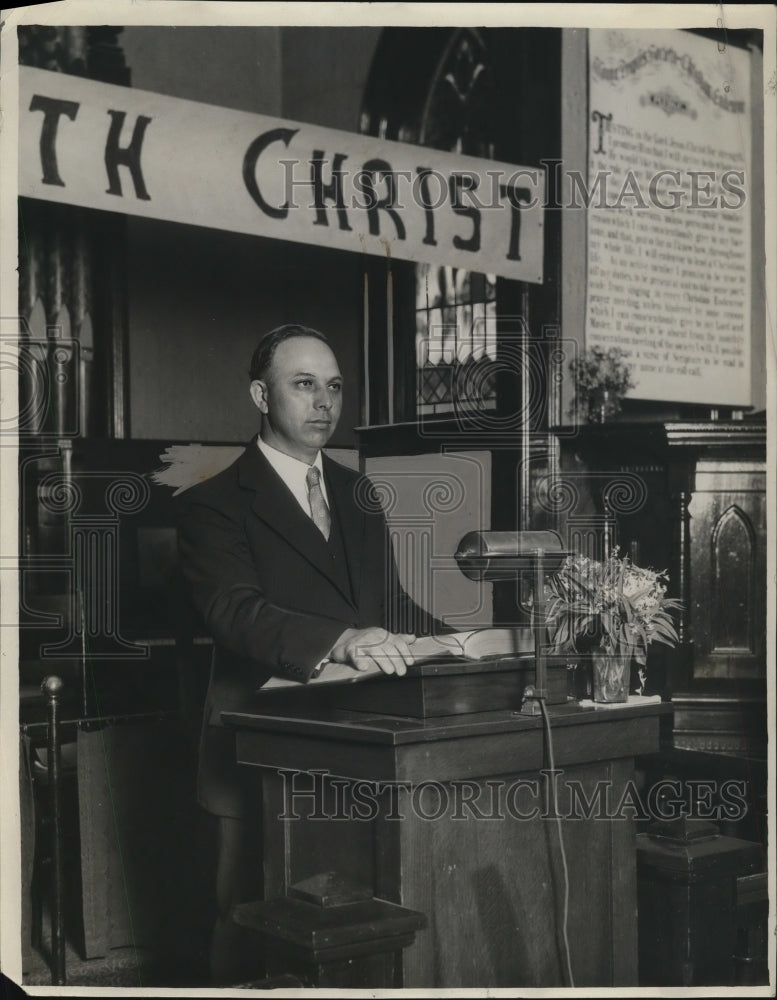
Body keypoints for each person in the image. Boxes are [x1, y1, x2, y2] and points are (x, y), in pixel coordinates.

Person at [176, 324, 443, 982]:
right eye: (303, 385)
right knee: (249, 927)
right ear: (261, 395)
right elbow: (236, 612)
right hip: (253, 750)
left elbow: (392, 606)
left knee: (348, 925)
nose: (324, 402)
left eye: (334, 387)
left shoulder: (356, 492)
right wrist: (344, 641)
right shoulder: (212, 506)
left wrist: (463, 640)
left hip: (355, 747)